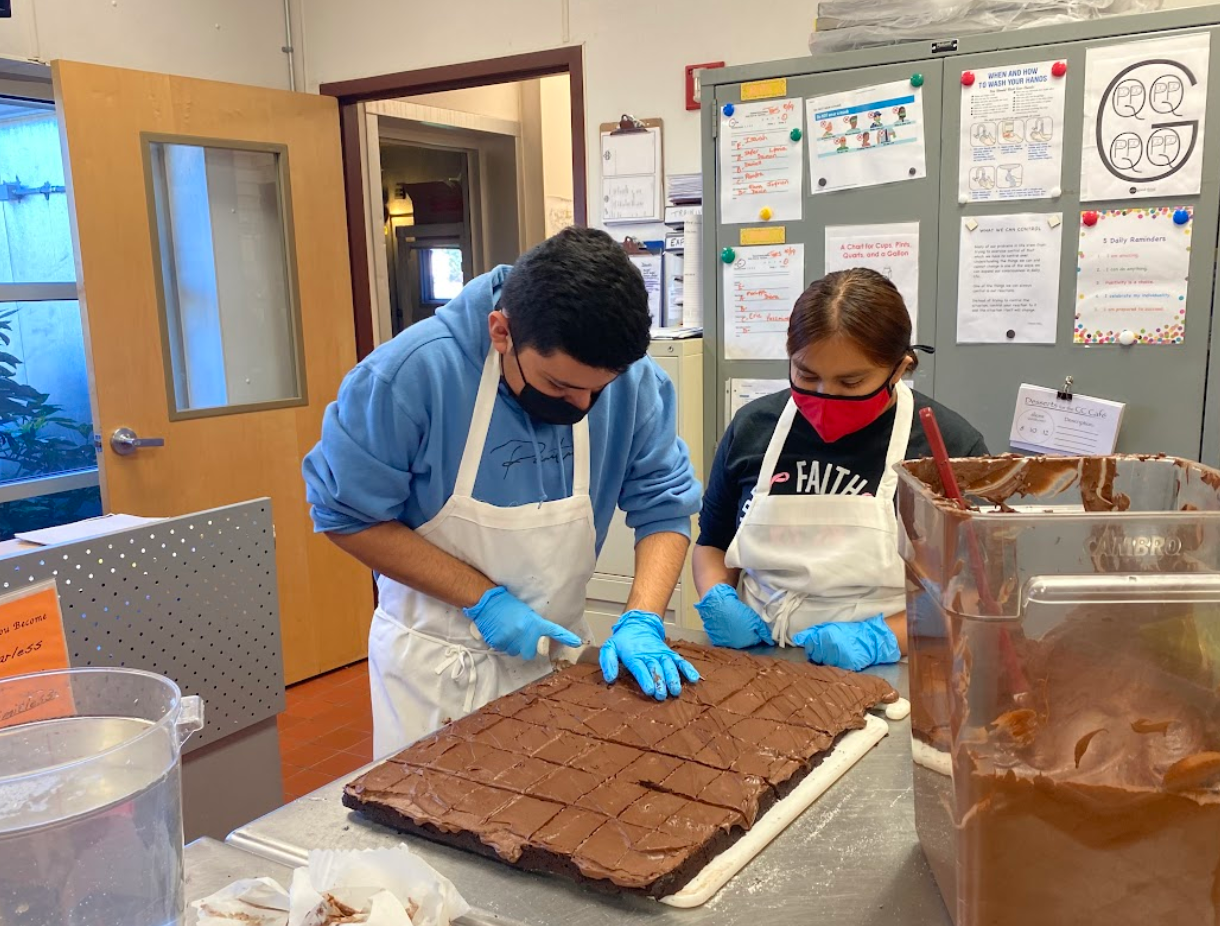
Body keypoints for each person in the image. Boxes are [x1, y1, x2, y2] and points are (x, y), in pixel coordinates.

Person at [305, 228, 703, 757]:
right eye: (560, 385)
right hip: (436, 667)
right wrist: (481, 599)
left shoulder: (634, 382)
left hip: (555, 651)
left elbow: (665, 508)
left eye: (597, 389)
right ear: (501, 332)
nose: (583, 404)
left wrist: (643, 618)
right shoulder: (408, 378)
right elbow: (346, 516)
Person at [691, 268, 987, 671]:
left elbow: (972, 590)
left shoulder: (946, 448)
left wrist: (883, 638)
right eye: (806, 374)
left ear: (899, 369)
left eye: (850, 383)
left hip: (890, 666)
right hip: (757, 659)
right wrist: (717, 598)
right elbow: (714, 543)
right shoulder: (753, 428)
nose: (824, 397)